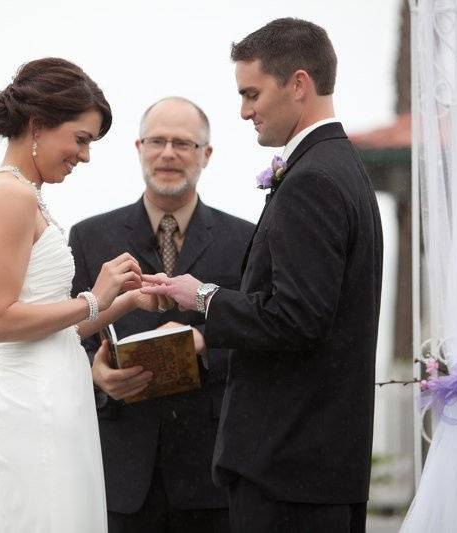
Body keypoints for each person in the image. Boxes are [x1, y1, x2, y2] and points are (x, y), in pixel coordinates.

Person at [143, 18, 384, 533]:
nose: (244, 110)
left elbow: (297, 318)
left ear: (298, 84)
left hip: (288, 468)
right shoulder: (342, 168)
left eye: (252, 93)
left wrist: (202, 296)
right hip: (321, 465)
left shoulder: (312, 181)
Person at [0, 57, 161, 533]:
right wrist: (94, 296)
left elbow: (48, 330)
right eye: (81, 139)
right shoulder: (11, 197)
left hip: (53, 398)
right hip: (32, 410)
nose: (84, 156)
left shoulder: (27, 194)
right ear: (38, 125)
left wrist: (122, 301)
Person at [69, 96, 254, 533]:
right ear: (138, 148)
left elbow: (260, 330)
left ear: (206, 155)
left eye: (183, 143)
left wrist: (206, 346)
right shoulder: (91, 236)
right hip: (120, 466)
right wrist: (95, 374)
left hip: (212, 468)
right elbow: (68, 332)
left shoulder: (245, 239)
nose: (168, 153)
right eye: (157, 141)